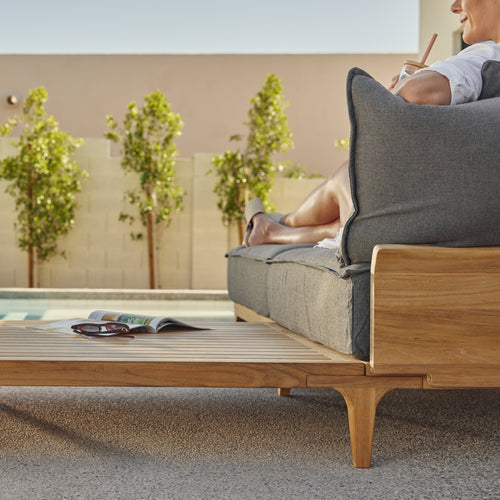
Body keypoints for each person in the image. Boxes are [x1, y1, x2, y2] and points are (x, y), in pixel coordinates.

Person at [244, 0, 500, 248]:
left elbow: (418, 92)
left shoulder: (487, 55)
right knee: (354, 196)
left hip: (414, 211)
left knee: (347, 176)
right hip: (460, 212)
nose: (454, 6)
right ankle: (276, 228)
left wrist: (396, 93)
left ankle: (281, 222)